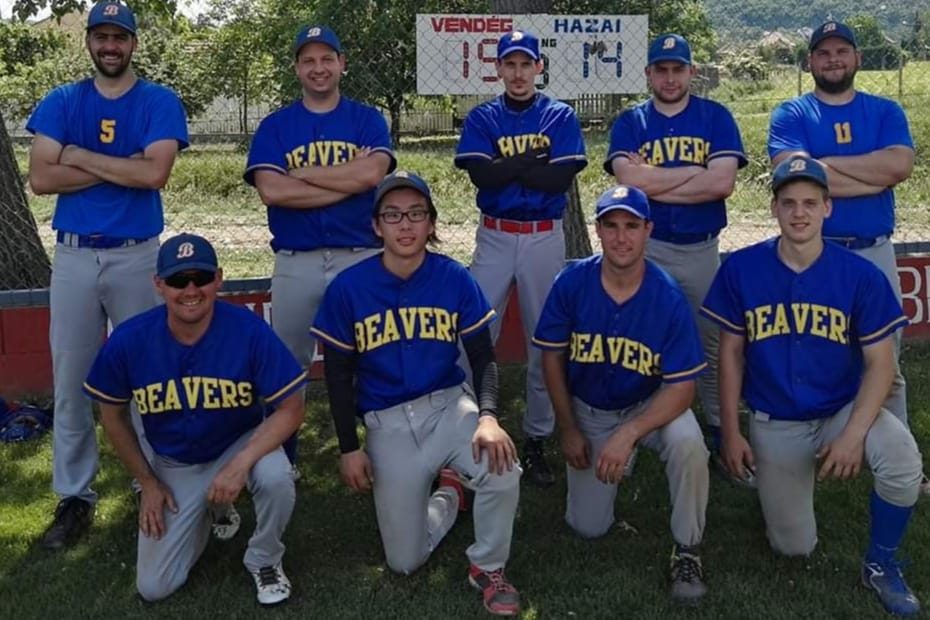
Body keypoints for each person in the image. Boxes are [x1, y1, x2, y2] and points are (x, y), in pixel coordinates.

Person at [701, 155, 922, 616]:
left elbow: (882, 366)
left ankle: (881, 563)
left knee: (901, 456)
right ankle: (779, 492)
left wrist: (854, 435)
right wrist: (732, 430)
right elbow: (731, 355)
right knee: (793, 548)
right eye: (788, 203)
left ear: (827, 208)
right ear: (774, 209)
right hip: (775, 419)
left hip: (841, 408)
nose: (798, 212)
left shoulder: (859, 274)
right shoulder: (741, 269)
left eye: (809, 202)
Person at [311, 171, 522, 616]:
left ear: (430, 223)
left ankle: (487, 566)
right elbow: (338, 374)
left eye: (415, 214)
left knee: (503, 469)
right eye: (393, 215)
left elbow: (483, 358)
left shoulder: (453, 278)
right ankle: (449, 496)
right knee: (405, 562)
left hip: (448, 407)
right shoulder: (349, 288)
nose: (405, 225)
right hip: (386, 422)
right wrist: (349, 448)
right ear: (376, 226)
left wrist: (487, 417)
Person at [26, 1, 189, 549]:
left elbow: (156, 172)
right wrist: (121, 166)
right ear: (90, 43)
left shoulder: (157, 101)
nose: (110, 46)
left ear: (134, 44)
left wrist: (82, 155)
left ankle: (159, 483)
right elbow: (42, 179)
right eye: (102, 37)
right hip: (73, 256)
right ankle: (75, 498)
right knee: (72, 382)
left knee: (148, 376)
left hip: (137, 255)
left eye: (120, 37)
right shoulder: (64, 99)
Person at [83, 233, 307, 605]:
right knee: (154, 587)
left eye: (201, 278)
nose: (190, 289)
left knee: (276, 476)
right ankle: (209, 507)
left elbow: (292, 408)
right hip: (176, 462)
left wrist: (239, 465)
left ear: (218, 279)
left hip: (239, 442)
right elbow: (113, 416)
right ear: (158, 285)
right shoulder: (130, 339)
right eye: (177, 280)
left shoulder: (247, 330)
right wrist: (148, 483)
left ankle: (265, 557)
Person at [767, 21, 926, 492]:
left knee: (887, 363)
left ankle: (903, 464)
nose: (833, 59)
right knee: (804, 351)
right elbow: (790, 178)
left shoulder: (884, 110)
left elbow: (899, 165)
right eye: (823, 53)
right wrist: (871, 176)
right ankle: (800, 454)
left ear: (857, 59)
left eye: (842, 51)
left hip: (872, 253)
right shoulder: (792, 112)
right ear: (810, 62)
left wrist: (820, 169)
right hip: (811, 255)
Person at [533, 185, 711, 604]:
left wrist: (629, 433)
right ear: (597, 230)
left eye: (632, 225)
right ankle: (610, 466)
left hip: (649, 406)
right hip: (590, 408)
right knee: (587, 527)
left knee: (689, 445)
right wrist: (568, 428)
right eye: (611, 226)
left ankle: (687, 548)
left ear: (648, 230)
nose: (621, 237)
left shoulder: (666, 295)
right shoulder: (572, 282)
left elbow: (683, 388)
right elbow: (552, 360)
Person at [244, 24, 396, 468]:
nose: (318, 68)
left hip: (362, 256)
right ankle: (282, 460)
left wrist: (303, 176)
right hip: (296, 260)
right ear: (296, 68)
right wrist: (345, 179)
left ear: (342, 64)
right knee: (288, 366)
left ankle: (385, 453)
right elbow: (272, 191)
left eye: (327, 58)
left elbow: (372, 177)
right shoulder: (277, 125)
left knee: (374, 356)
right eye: (308, 60)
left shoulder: (366, 118)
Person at [604, 33, 747, 483]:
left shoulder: (715, 117)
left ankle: (721, 433)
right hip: (651, 248)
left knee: (710, 343)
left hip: (702, 248)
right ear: (648, 74)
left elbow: (721, 183)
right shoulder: (632, 121)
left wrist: (657, 180)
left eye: (677, 68)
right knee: (643, 339)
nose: (669, 77)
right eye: (660, 69)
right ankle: (640, 432)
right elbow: (628, 180)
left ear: (691, 72)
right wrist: (692, 173)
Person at [454, 30, 587, 488]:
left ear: (538, 68)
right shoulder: (484, 116)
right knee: (474, 332)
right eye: (509, 64)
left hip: (542, 237)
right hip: (494, 235)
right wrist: (533, 159)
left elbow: (558, 181)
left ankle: (536, 439)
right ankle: (468, 430)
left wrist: (506, 168)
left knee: (543, 340)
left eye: (525, 64)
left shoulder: (559, 114)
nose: (517, 73)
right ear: (498, 70)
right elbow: (481, 177)